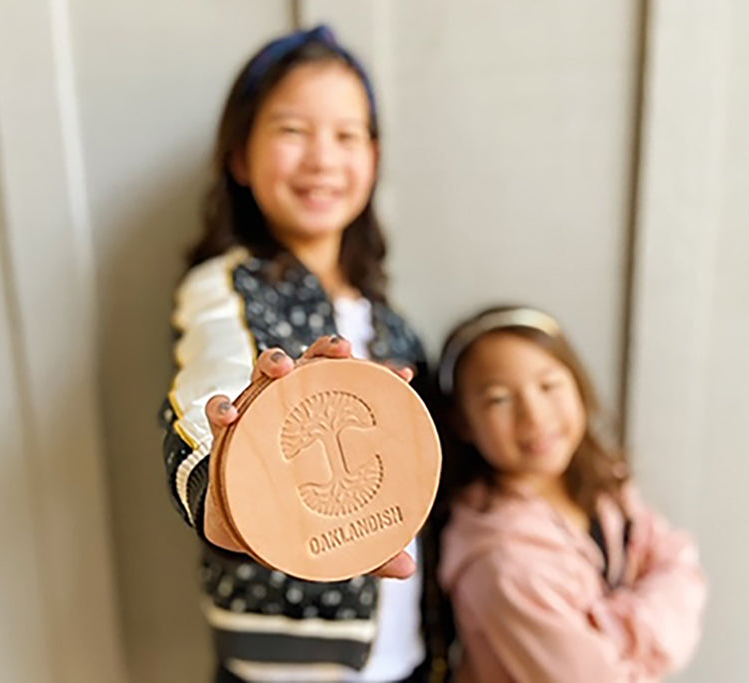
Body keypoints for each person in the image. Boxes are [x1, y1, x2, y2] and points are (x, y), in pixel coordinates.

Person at [158, 24, 439, 683]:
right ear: (238, 157)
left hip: (405, 652)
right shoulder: (226, 288)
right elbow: (209, 386)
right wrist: (217, 488)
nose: (322, 159)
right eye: (292, 131)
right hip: (282, 667)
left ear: (373, 155)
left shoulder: (388, 317)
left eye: (347, 135)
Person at [435, 305, 706, 682]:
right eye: (499, 399)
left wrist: (612, 627)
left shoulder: (604, 486)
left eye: (548, 386)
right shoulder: (504, 563)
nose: (534, 416)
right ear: (463, 422)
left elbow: (680, 564)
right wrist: (651, 625)